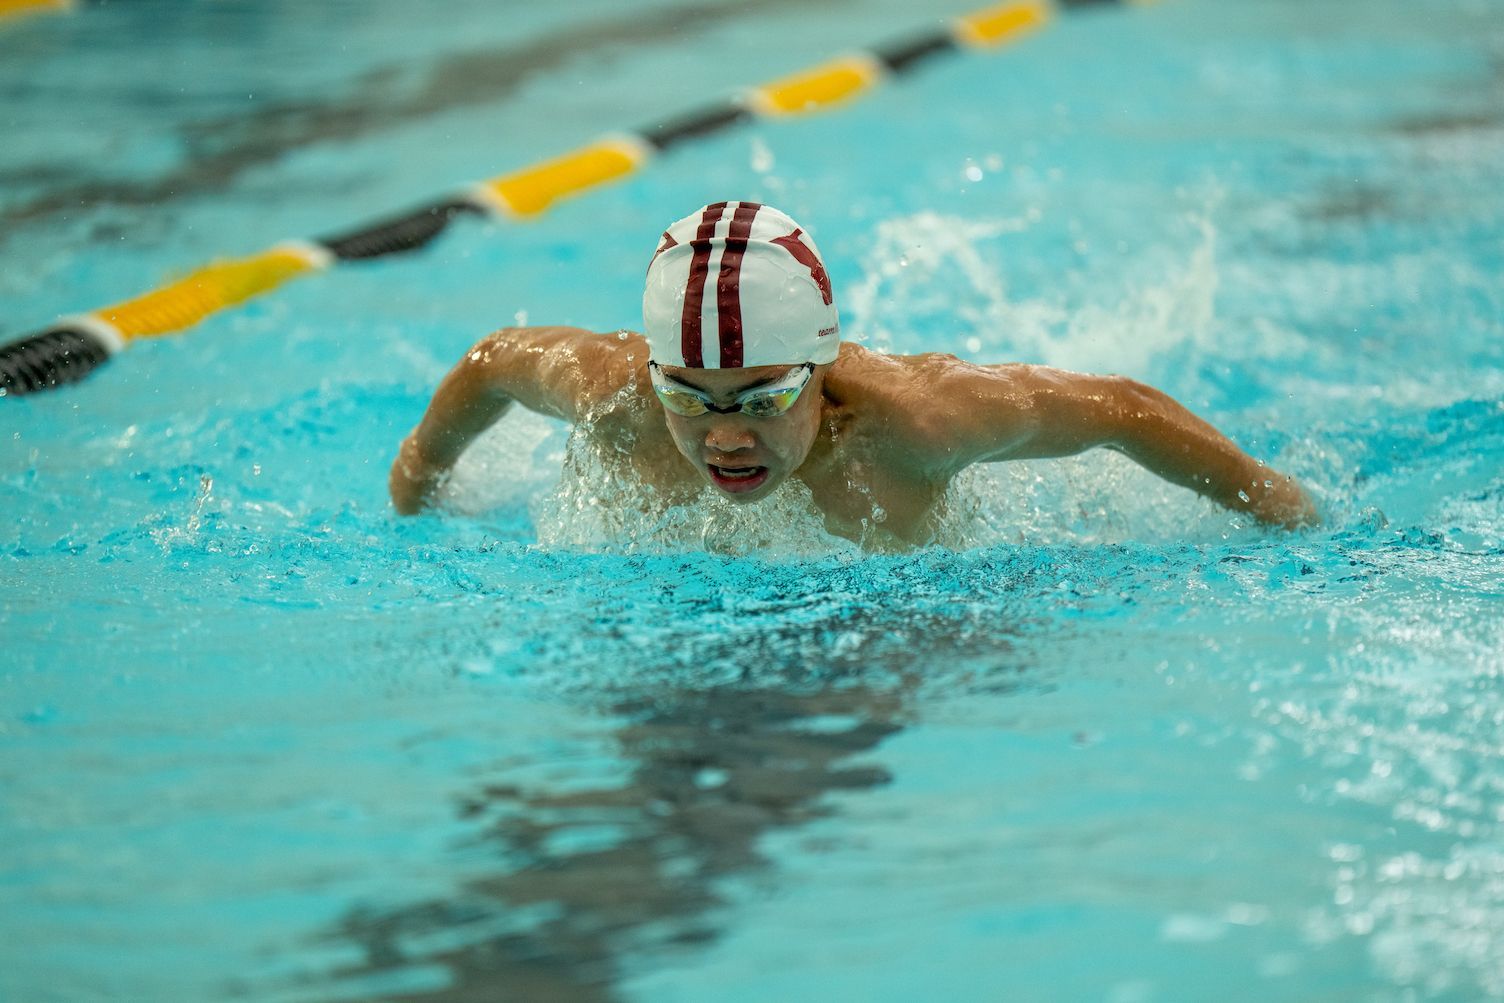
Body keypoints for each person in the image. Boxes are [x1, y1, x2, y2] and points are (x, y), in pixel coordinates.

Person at [390, 201, 1316, 547]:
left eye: (763, 397)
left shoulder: (917, 422)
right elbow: (492, 363)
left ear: (822, 370)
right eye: (692, 397)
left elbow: (1121, 408)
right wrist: (417, 477)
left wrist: (1281, 508)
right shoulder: (619, 394)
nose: (723, 433)